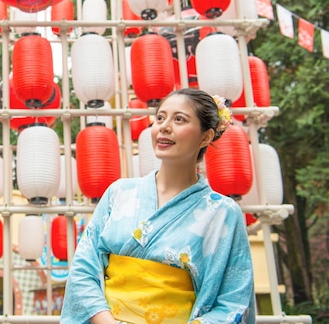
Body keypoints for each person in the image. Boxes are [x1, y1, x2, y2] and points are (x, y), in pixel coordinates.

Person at [60, 88, 255, 324]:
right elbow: (84, 268)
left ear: (206, 137)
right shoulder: (119, 193)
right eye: (160, 118)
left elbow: (234, 301)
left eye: (179, 119)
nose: (164, 126)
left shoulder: (223, 213)